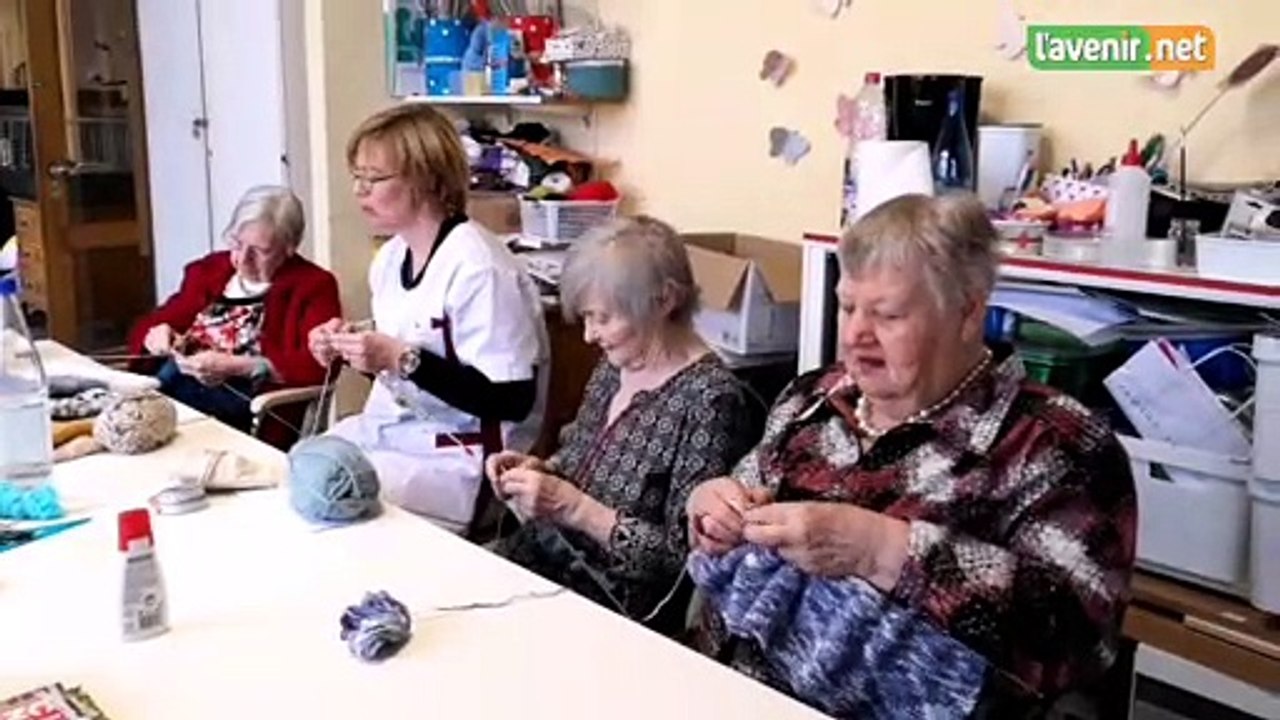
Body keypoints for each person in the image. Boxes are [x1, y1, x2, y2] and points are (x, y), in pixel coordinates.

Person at [686, 193, 1137, 719]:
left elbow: (1078, 642)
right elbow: (736, 497)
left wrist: (884, 550)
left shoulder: (1058, 445)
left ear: (968, 312)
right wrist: (713, 508)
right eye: (849, 306)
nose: (856, 335)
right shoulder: (811, 398)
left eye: (889, 314)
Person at [484, 216, 755, 635]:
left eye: (603, 318)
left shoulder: (711, 399)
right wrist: (537, 473)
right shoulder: (616, 366)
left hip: (615, 613)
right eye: (587, 318)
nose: (590, 335)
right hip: (541, 567)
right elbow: (577, 460)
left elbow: (681, 563)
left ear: (664, 300)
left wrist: (571, 506)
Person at [309, 103, 548, 535]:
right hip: (397, 433)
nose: (360, 191)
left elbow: (512, 399)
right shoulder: (392, 257)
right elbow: (405, 371)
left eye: (375, 179)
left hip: (462, 456)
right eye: (357, 177)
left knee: (332, 493)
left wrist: (403, 359)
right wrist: (354, 349)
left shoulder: (479, 268)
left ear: (427, 179)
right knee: (304, 468)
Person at [128, 185, 341, 441]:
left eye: (260, 251)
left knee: (149, 408)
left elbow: (320, 365)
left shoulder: (313, 285)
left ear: (289, 247)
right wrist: (158, 334)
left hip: (246, 405)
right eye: (238, 244)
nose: (243, 259)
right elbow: (155, 323)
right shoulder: (209, 270)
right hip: (178, 382)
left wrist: (241, 366)